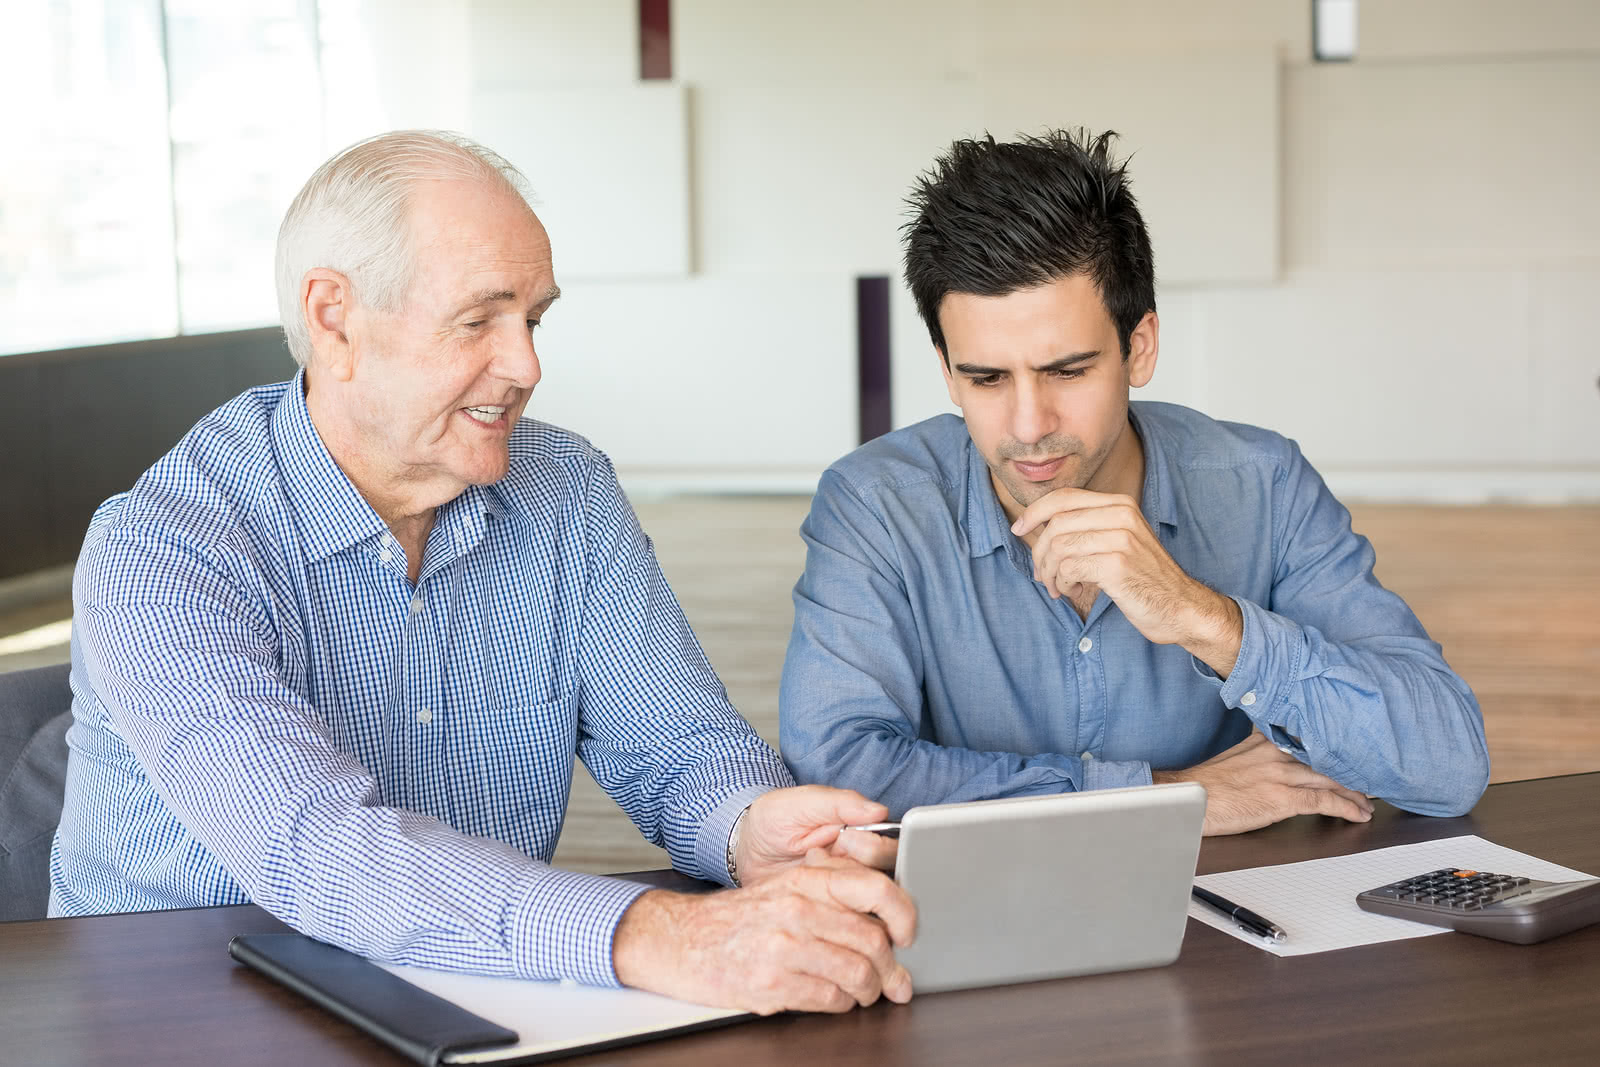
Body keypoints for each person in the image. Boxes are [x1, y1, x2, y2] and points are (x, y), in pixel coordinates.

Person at [50, 131, 914, 1015]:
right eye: (479, 320)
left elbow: (678, 746)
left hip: (473, 989)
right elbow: (317, 847)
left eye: (533, 319)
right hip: (190, 1010)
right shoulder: (161, 547)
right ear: (333, 318)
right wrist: (659, 934)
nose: (528, 365)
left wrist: (744, 828)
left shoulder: (565, 490)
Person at [780, 129, 1489, 834]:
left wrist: (1205, 618)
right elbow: (839, 777)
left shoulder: (1263, 486)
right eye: (987, 378)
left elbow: (1448, 764)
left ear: (1139, 347)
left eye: (1067, 370)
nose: (1028, 424)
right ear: (946, 370)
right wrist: (1165, 796)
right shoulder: (875, 505)